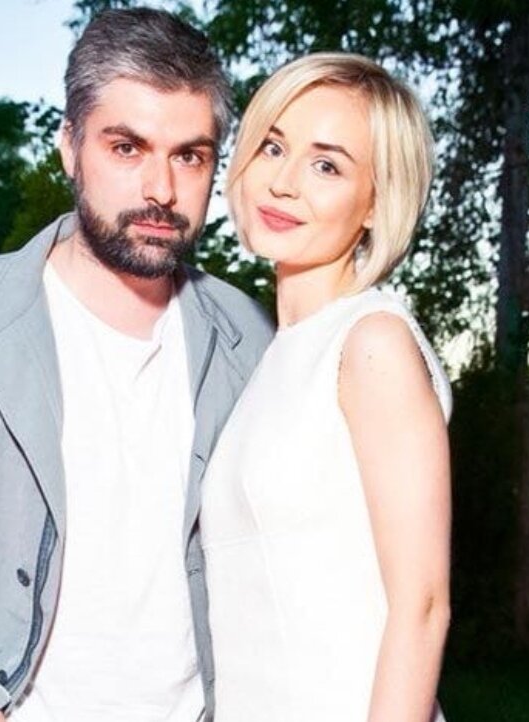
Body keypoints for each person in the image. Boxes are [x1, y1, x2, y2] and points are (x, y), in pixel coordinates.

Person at [0, 9, 272, 722]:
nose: (161, 189)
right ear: (70, 146)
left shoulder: (250, 338)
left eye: (189, 156)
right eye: (127, 147)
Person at [199, 53, 452, 722]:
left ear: (377, 202)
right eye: (274, 147)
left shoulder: (371, 342)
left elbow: (423, 607)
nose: (283, 183)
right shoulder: (278, 355)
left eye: (327, 166)